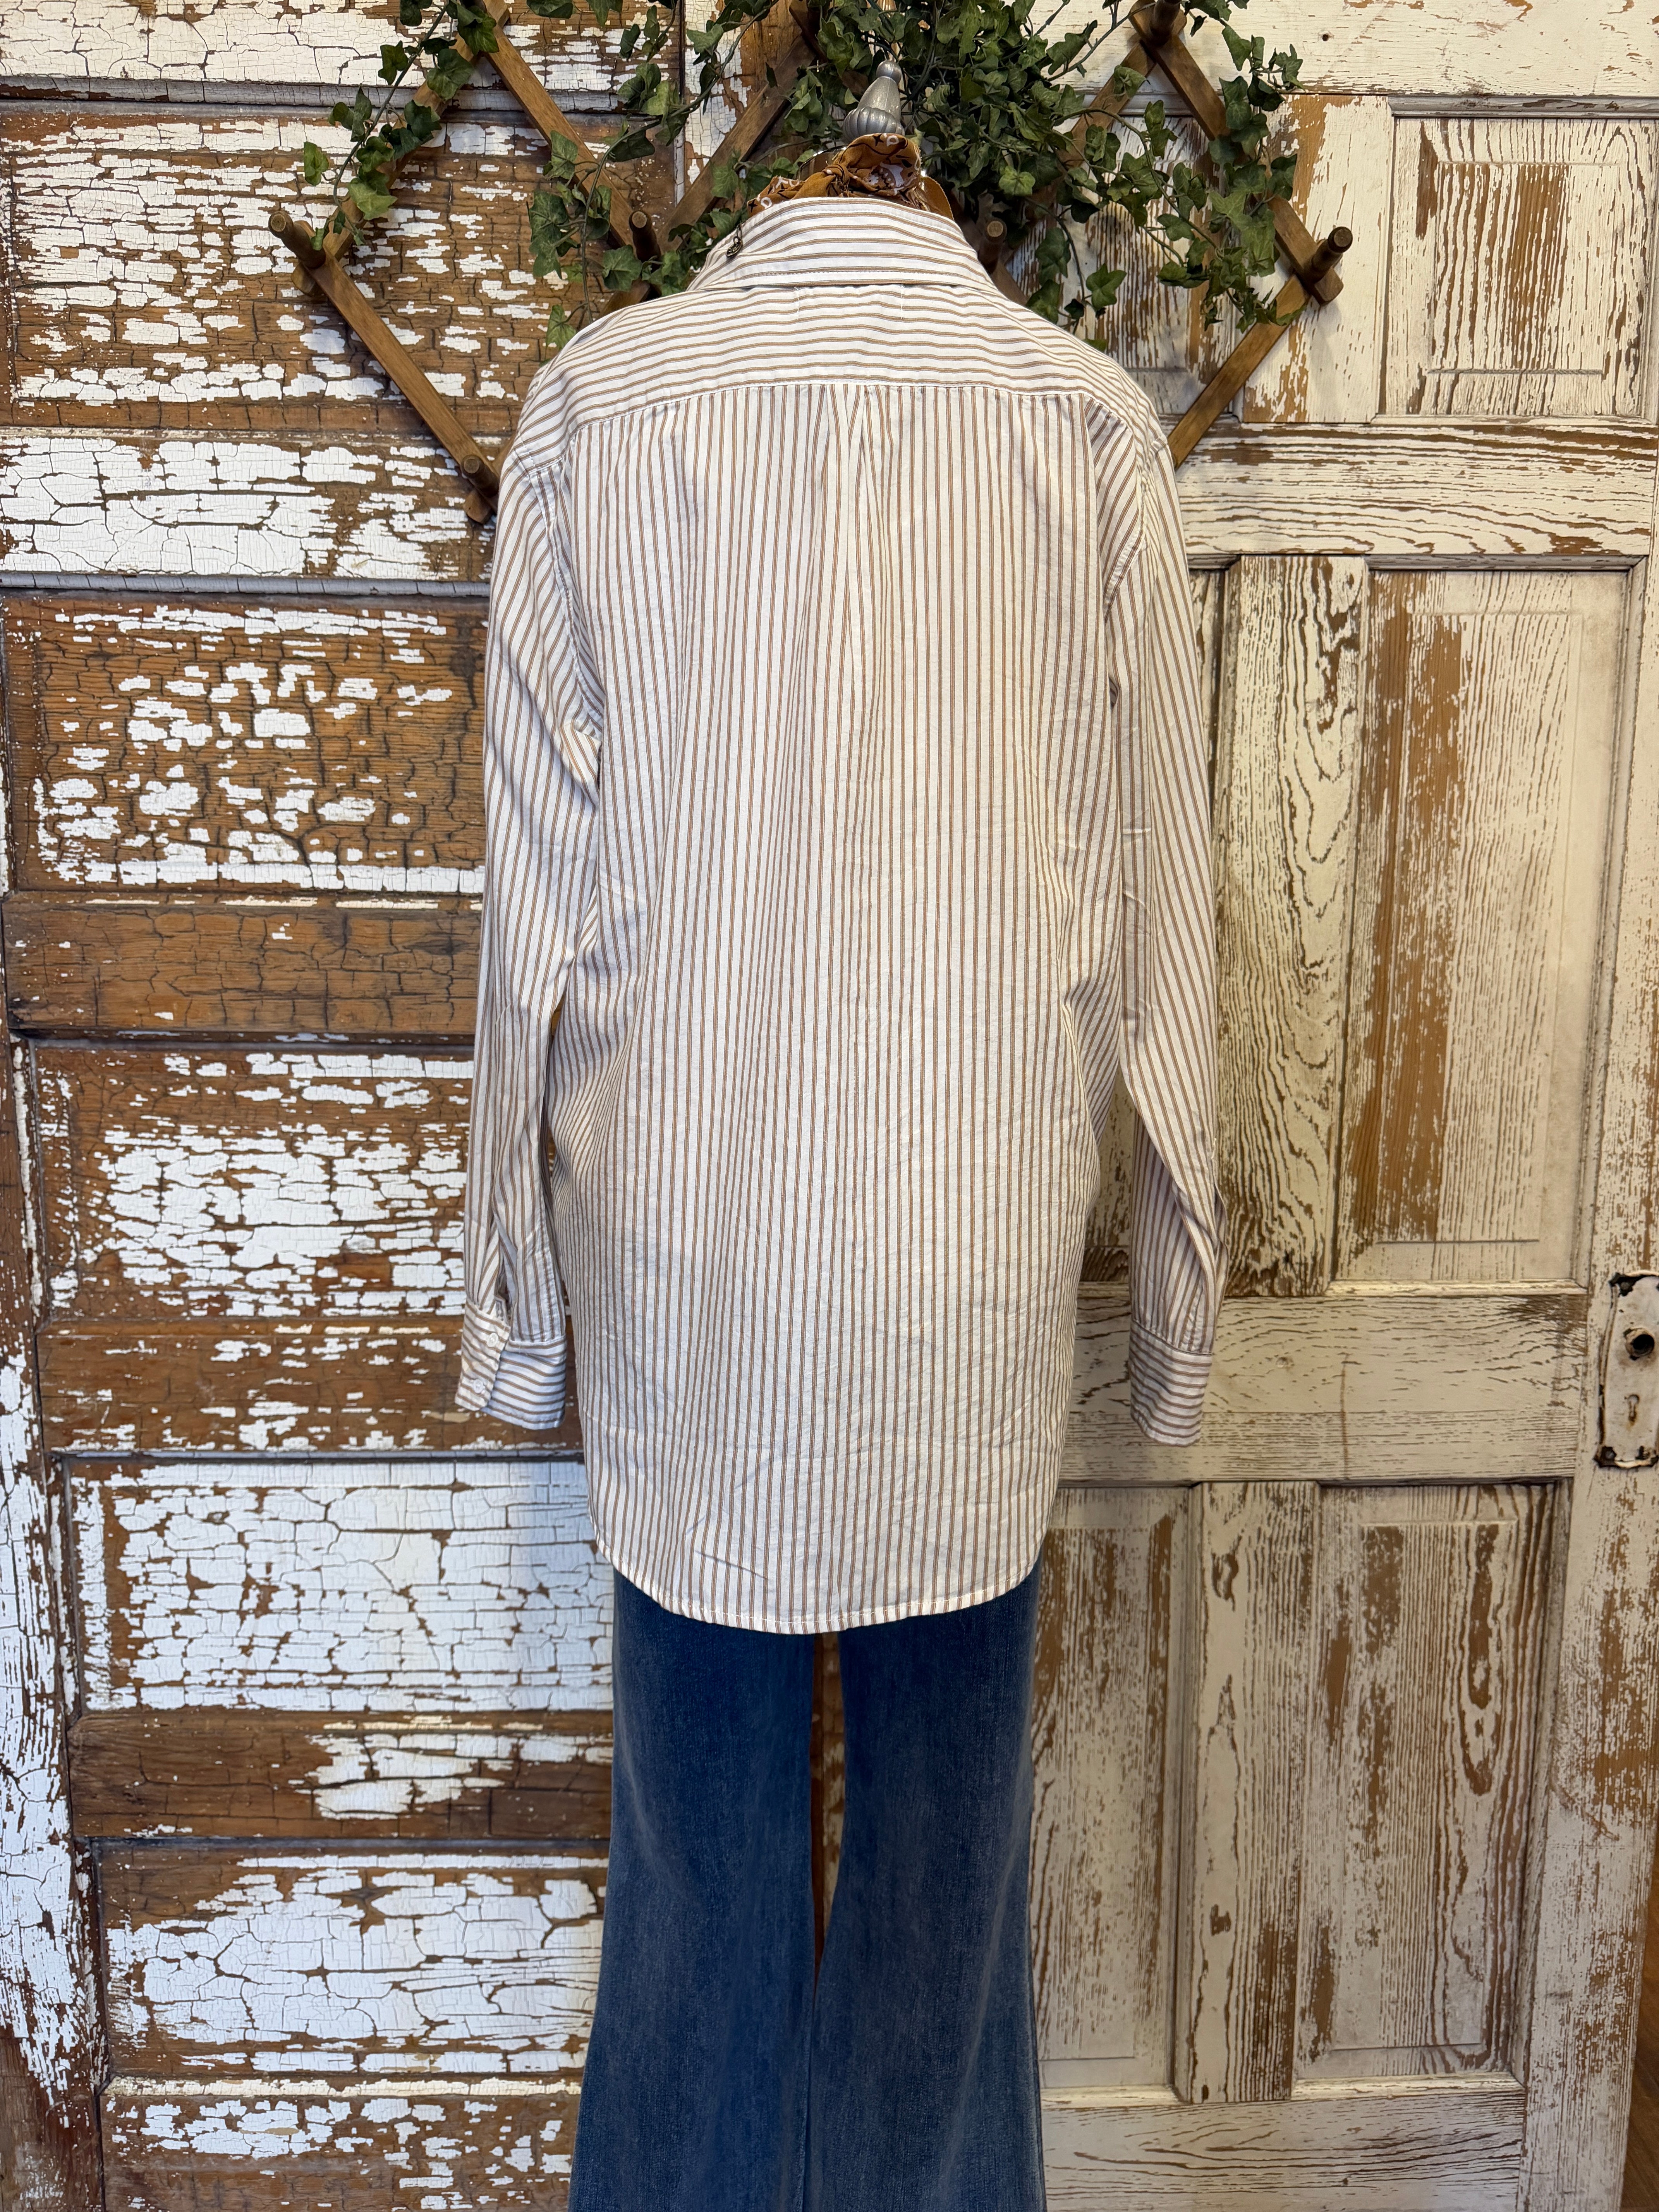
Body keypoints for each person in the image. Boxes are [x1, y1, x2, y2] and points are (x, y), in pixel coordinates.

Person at [455, 119, 1223, 2212]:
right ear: (937, 220)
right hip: (964, 1273)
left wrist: (520, 1315)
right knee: (947, 1898)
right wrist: (1176, 1311)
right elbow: (1161, 910)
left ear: (767, 216)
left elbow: (536, 918)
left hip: (688, 1277)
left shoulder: (601, 411)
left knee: (692, 1887)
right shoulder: (1083, 426)